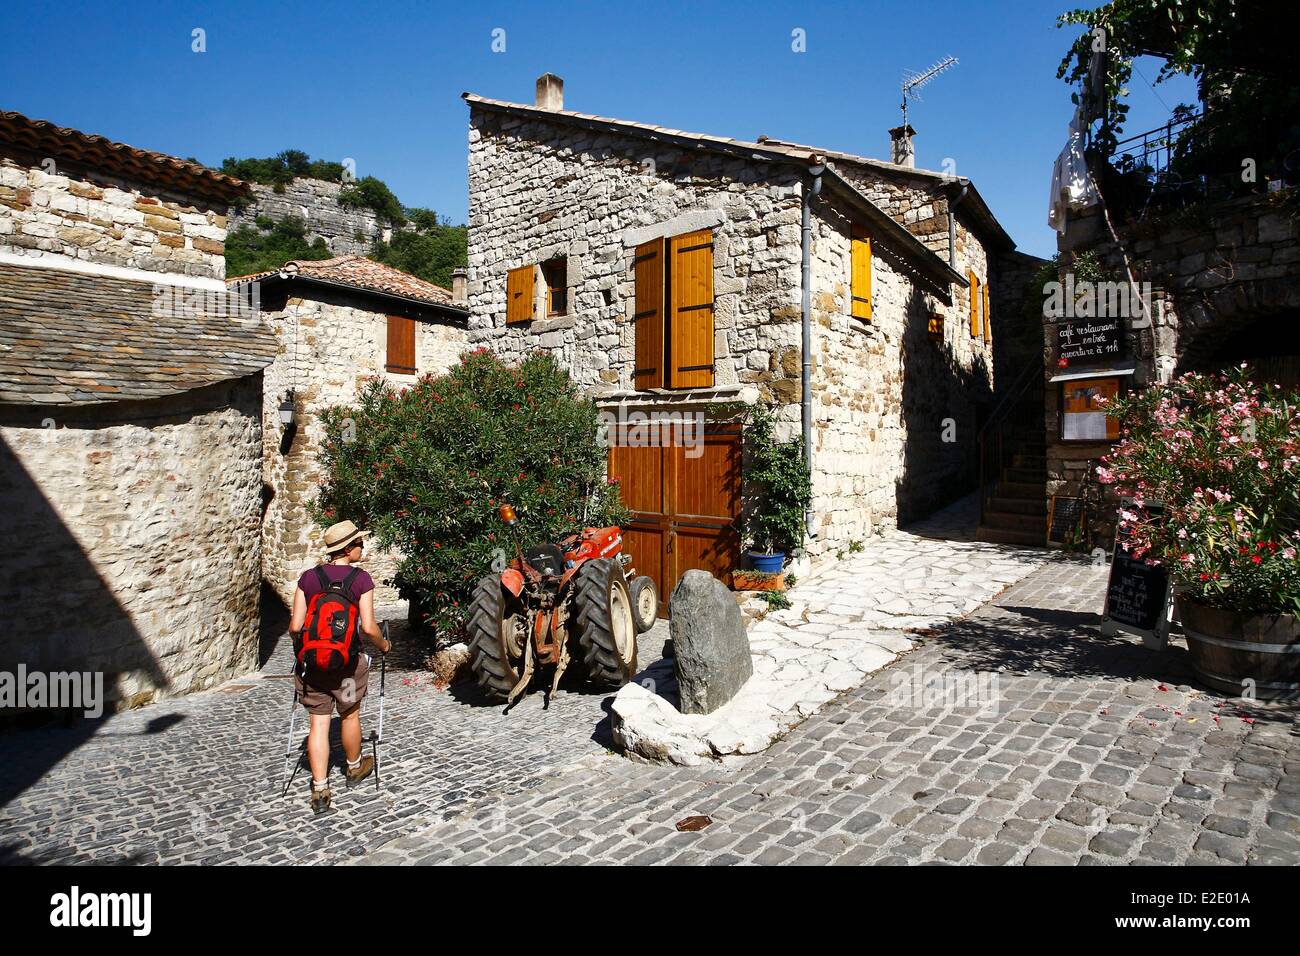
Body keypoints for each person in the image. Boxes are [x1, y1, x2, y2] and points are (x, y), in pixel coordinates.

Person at [288, 520, 392, 814]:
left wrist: (307, 648)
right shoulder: (361, 580)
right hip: (346, 667)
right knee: (349, 714)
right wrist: (384, 647)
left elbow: (295, 625)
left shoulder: (308, 578)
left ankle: (320, 789)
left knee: (318, 723)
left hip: (313, 668)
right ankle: (354, 767)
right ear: (348, 548)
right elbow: (369, 627)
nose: (363, 547)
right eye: (360, 543)